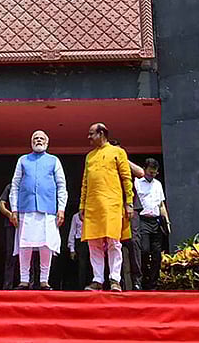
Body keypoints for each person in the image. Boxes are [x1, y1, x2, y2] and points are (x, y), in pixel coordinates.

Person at [79, 122, 133, 292]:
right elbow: (85, 183)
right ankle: (97, 279)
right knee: (93, 243)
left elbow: (126, 178)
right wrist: (82, 205)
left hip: (112, 204)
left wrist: (129, 203)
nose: (88, 137)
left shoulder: (118, 152)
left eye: (91, 134)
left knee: (113, 242)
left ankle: (115, 279)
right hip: (92, 206)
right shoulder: (89, 156)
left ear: (101, 133)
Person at [10, 130, 67, 290]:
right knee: (25, 245)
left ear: (47, 143)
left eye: (42, 138)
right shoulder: (23, 160)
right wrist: (14, 209)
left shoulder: (54, 161)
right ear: (31, 142)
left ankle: (44, 281)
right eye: (36, 138)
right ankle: (24, 280)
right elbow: (14, 185)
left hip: (48, 210)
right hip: (25, 209)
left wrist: (61, 208)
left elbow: (62, 186)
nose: (39, 140)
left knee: (46, 245)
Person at [109, 137, 144, 290]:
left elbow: (141, 173)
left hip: (130, 208)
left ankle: (137, 281)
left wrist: (123, 158)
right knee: (112, 244)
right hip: (111, 207)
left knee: (133, 244)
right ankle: (114, 280)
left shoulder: (124, 161)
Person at [134, 158, 170, 290]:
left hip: (156, 221)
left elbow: (161, 204)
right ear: (144, 170)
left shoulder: (157, 184)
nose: (152, 176)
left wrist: (167, 221)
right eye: (150, 173)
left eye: (154, 173)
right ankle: (143, 279)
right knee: (144, 250)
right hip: (142, 220)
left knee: (156, 254)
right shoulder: (137, 183)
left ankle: (153, 284)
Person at [0, 182, 18, 289]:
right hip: (11, 225)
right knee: (10, 255)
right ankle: (8, 286)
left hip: (27, 225)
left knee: (31, 255)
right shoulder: (10, 186)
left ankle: (30, 285)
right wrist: (10, 214)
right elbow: (1, 205)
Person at [67, 210, 88, 289]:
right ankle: (81, 287)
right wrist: (72, 249)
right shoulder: (76, 217)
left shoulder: (94, 214)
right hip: (80, 242)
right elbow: (72, 232)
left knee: (94, 264)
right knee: (82, 265)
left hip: (92, 241)